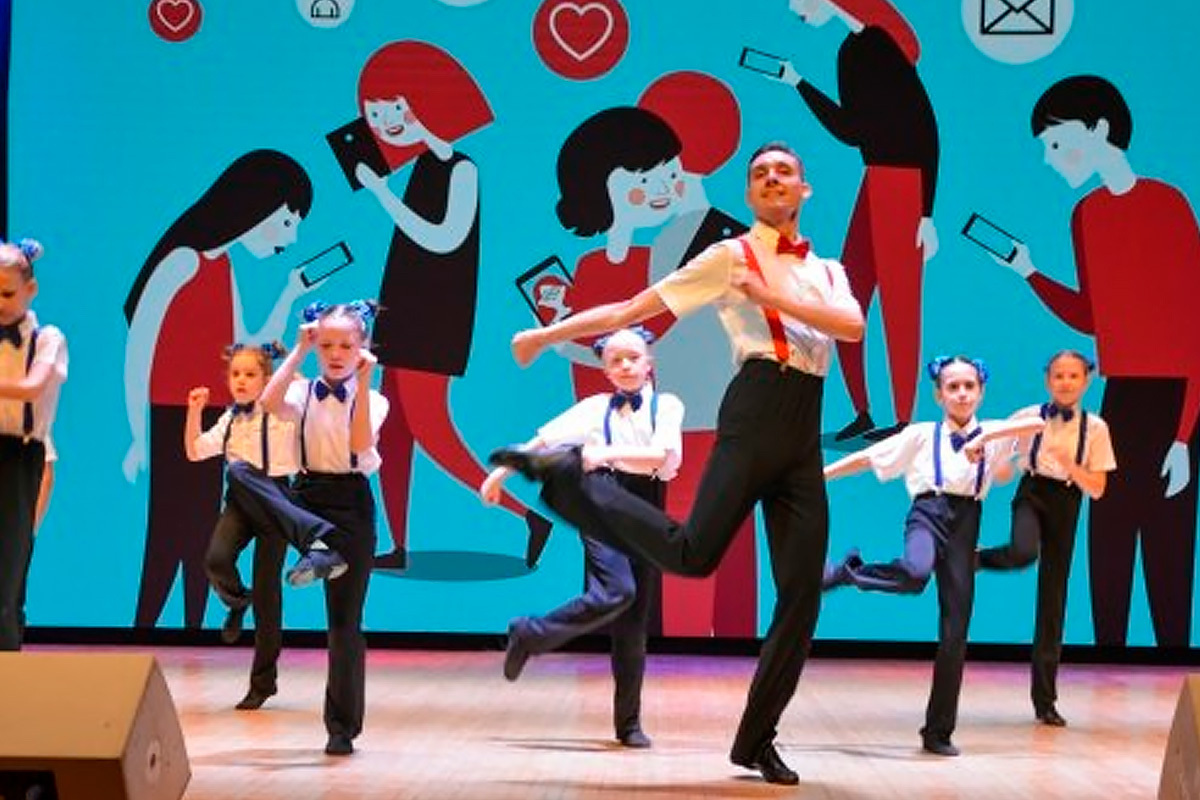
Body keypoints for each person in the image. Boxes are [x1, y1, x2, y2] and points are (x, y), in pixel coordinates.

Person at [491, 141, 865, 785]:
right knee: (694, 554)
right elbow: (630, 310)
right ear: (749, 194)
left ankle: (756, 739)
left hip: (804, 426)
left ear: (804, 190)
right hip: (756, 410)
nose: (772, 179)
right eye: (759, 174)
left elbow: (851, 327)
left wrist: (770, 297)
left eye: (784, 172)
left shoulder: (829, 270)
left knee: (802, 594)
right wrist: (547, 335)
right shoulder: (729, 256)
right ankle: (568, 478)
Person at [996, 75, 1200, 647]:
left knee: (1168, 548)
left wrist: (1183, 438)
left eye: (1058, 143)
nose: (1050, 158)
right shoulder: (1085, 214)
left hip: (1175, 398)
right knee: (1108, 542)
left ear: (1100, 129)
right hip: (1120, 397)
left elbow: (1195, 324)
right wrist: (1029, 272)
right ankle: (1105, 666)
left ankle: (1174, 667)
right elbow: (1093, 316)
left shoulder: (1168, 205)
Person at [351, 40, 551, 572]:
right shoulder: (420, 166)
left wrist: (382, 194)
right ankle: (396, 545)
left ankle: (526, 516)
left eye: (394, 109)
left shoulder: (463, 169)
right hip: (400, 311)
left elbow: (444, 238)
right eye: (376, 114)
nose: (386, 123)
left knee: (431, 430)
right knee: (391, 430)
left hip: (434, 318)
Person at [123, 149, 314, 629]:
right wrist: (137, 435)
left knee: (201, 533)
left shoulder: (221, 264)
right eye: (286, 222)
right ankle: (144, 629)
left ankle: (192, 629)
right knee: (166, 535)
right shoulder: (182, 261)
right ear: (255, 205)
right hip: (173, 412)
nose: (289, 237)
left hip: (217, 416)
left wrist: (290, 293)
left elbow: (244, 344)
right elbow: (139, 348)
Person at [821, 356, 1044, 756]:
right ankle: (848, 572)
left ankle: (938, 731)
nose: (962, 394)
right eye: (952, 387)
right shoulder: (922, 434)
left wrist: (984, 439)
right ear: (939, 395)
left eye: (969, 386)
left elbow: (1040, 422)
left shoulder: (994, 433)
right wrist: (820, 476)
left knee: (955, 633)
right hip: (928, 514)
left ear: (981, 392)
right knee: (915, 572)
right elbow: (868, 458)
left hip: (966, 524)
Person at [482, 327, 683, 749]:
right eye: (615, 361)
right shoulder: (594, 409)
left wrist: (605, 452)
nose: (625, 366)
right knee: (617, 591)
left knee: (633, 622)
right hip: (601, 499)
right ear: (605, 370)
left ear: (649, 363)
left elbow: (660, 457)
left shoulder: (666, 406)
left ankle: (628, 723)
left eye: (633, 358)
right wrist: (499, 474)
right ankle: (532, 632)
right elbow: (542, 441)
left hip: (646, 505)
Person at [220, 300, 388, 756]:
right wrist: (297, 351)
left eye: (346, 346)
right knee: (241, 471)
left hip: (351, 506)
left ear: (362, 347)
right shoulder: (301, 390)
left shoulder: (375, 399)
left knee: (344, 625)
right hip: (306, 496)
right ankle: (315, 541)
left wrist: (364, 382)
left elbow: (360, 443)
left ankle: (341, 728)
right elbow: (266, 403)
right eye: (326, 344)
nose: (335, 354)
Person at [770, 0, 940, 442]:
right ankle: (863, 411)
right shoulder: (849, 50)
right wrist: (797, 82)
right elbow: (853, 130)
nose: (796, 10)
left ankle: (902, 419)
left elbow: (925, 128)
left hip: (903, 185)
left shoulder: (876, 46)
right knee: (848, 295)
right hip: (876, 180)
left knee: (900, 306)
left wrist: (926, 213)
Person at [977, 350, 1115, 726]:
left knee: (1053, 600)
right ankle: (978, 558)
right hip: (1033, 492)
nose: (1065, 383)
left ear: (1086, 381)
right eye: (1058, 376)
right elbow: (995, 450)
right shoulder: (1028, 416)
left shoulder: (1096, 428)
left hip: (1068, 500)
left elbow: (1098, 488)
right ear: (1047, 380)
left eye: (1073, 376)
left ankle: (1045, 700)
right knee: (1024, 551)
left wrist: (1071, 464)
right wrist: (1000, 468)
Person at [184, 341, 294, 710]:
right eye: (235, 374)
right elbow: (195, 451)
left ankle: (262, 683)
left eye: (250, 374)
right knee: (216, 560)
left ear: (267, 379)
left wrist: (287, 364)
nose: (241, 381)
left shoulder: (282, 411)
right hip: (240, 502)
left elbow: (298, 386)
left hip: (275, 502)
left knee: (268, 595)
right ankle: (236, 601)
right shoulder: (229, 419)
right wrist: (194, 411)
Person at [0, 238, 68, 651]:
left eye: (7, 294)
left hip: (17, 454)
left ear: (31, 290)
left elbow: (31, 386)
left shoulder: (47, 338)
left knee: (8, 569)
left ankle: (6, 666)